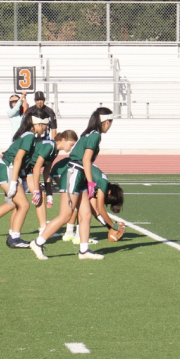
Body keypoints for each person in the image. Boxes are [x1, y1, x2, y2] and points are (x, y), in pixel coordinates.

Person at [31, 107, 115, 261]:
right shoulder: (95, 135)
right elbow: (86, 160)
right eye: (110, 122)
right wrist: (91, 182)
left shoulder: (90, 133)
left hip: (79, 174)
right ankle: (38, 242)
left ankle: (84, 251)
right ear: (105, 121)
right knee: (65, 215)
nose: (110, 125)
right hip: (76, 173)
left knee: (86, 214)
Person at [0, 109, 51, 248]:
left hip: (9, 170)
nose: (46, 127)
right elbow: (17, 158)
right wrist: (14, 182)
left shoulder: (29, 136)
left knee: (14, 204)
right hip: (7, 170)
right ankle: (14, 239)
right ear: (38, 123)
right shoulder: (29, 137)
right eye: (45, 124)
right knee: (24, 205)